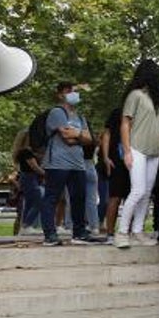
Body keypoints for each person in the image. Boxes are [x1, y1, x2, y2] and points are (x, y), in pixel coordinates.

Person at [39, 82, 103, 246]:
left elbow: (91, 140)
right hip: (57, 163)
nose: (74, 94)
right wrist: (80, 137)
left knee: (78, 198)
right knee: (52, 198)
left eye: (75, 91)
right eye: (69, 91)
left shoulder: (80, 117)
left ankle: (79, 233)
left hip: (78, 164)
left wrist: (78, 135)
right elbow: (67, 137)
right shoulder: (57, 112)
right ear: (60, 95)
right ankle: (50, 235)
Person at [114, 59, 159, 248]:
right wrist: (127, 151)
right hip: (136, 149)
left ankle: (138, 231)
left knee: (146, 193)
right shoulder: (135, 95)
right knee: (137, 191)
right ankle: (122, 232)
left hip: (155, 151)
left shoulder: (157, 100)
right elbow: (125, 123)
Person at [100, 106, 130, 241]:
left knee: (133, 197)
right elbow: (107, 133)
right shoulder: (118, 111)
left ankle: (128, 231)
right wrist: (106, 157)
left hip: (136, 160)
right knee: (115, 197)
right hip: (117, 160)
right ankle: (110, 233)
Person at [12, 129, 45, 236]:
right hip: (29, 178)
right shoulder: (26, 152)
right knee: (39, 201)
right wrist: (46, 174)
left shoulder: (22, 152)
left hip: (27, 178)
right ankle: (27, 224)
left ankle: (24, 226)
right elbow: (34, 166)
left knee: (30, 203)